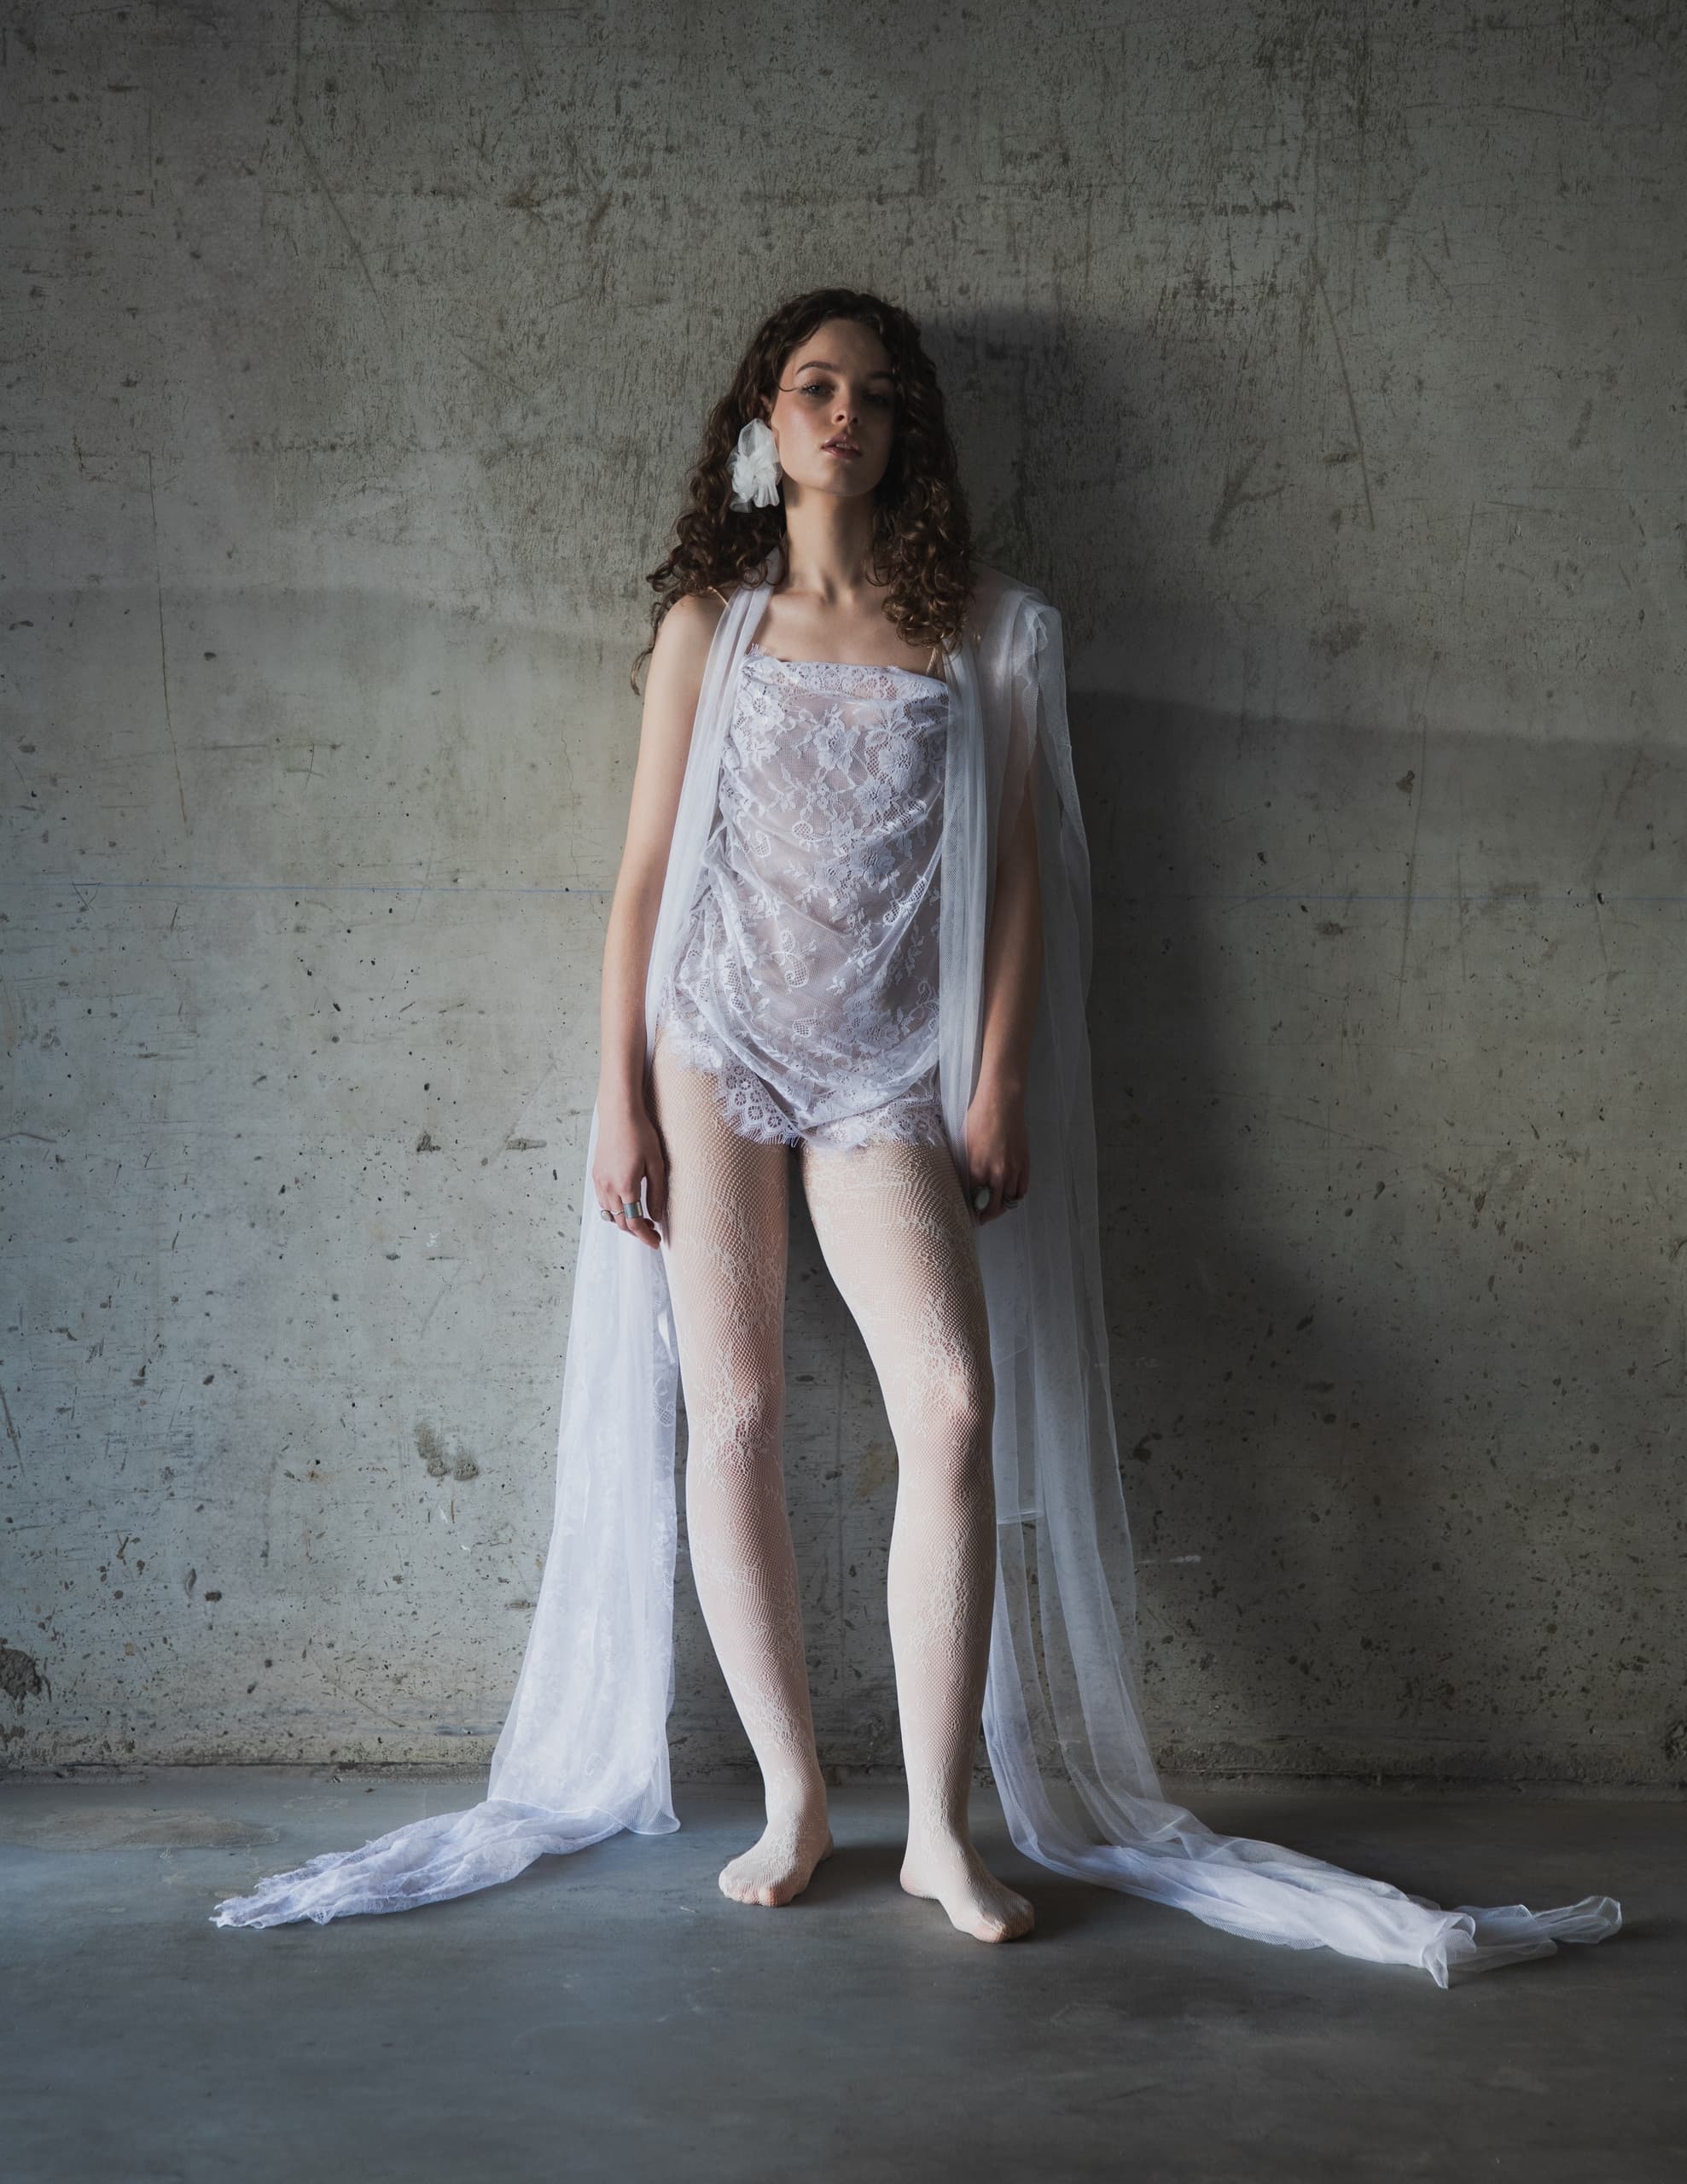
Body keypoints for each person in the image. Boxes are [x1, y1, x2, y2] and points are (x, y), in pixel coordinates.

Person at [212, 289, 1620, 1985]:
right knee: (731, 1404)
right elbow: (645, 874)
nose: (844, 416)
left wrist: (1000, 1079)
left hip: (888, 1068)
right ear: (763, 418)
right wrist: (619, 1093)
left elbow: (1017, 878)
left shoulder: (983, 627)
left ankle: (942, 1824)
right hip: (715, 1044)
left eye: (875, 395)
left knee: (950, 1401)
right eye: (814, 387)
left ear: (906, 432)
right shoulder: (711, 624)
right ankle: (795, 1797)